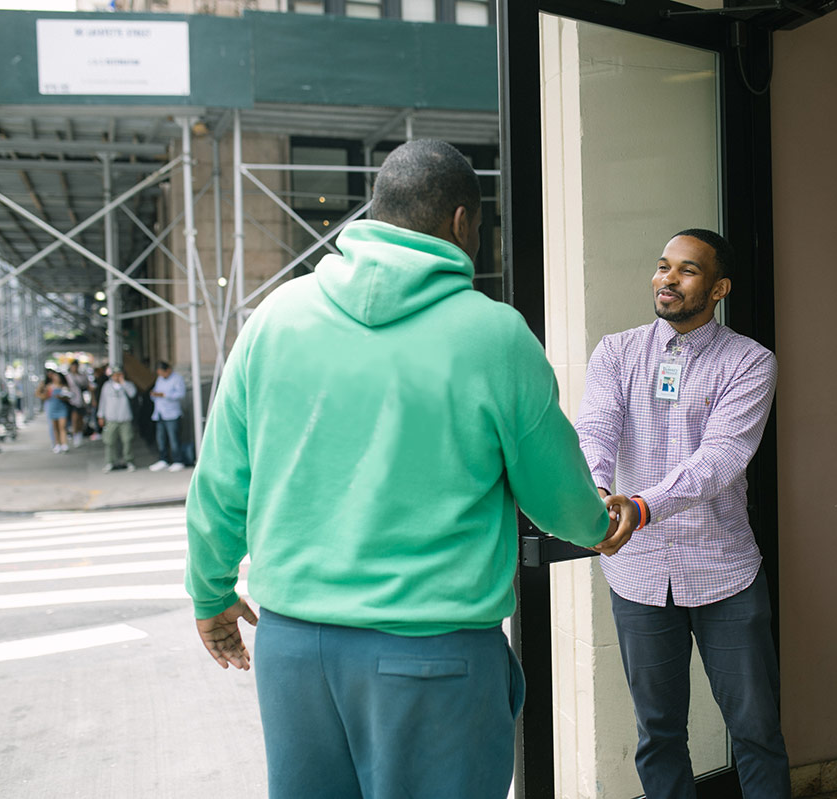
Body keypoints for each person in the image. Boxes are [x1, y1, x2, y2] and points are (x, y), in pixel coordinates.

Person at [185, 139, 633, 798]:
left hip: (294, 653)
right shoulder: (493, 335)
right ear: (460, 223)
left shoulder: (275, 318)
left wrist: (211, 594)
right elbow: (556, 498)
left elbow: (220, 482)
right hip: (433, 656)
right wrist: (600, 522)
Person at [574, 229, 790, 798]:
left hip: (724, 571)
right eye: (663, 265)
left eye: (686, 270)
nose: (666, 279)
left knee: (756, 729)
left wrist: (642, 506)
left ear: (718, 287)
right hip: (638, 573)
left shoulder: (750, 362)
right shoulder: (616, 352)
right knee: (659, 731)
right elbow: (595, 428)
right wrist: (596, 489)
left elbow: (721, 458)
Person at [97, 366, 137, 473]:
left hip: (125, 417)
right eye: (114, 375)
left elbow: (132, 394)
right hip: (111, 418)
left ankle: (128, 460)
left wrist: (123, 382)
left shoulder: (127, 385)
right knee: (109, 441)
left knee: (127, 440)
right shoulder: (107, 386)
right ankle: (110, 462)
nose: (116, 377)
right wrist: (100, 415)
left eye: (118, 374)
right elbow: (102, 401)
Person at [148, 360, 186, 472]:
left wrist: (164, 395)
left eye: (162, 372)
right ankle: (163, 460)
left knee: (174, 438)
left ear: (168, 370)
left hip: (172, 414)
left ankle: (178, 461)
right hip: (159, 413)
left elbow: (181, 394)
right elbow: (156, 392)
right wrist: (154, 394)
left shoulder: (177, 378)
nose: (160, 375)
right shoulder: (160, 379)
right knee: (161, 438)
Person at [35, 369, 71, 454]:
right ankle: (57, 444)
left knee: (62, 426)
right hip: (52, 407)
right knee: (55, 427)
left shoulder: (64, 387)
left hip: (62, 407)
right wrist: (45, 394)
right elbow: (39, 394)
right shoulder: (48, 386)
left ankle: (64, 444)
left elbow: (68, 397)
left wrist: (62, 397)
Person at [64, 360, 91, 448]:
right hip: (72, 401)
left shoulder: (82, 376)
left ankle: (79, 434)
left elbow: (87, 386)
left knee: (80, 419)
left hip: (81, 401)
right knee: (74, 419)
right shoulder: (68, 377)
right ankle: (75, 435)